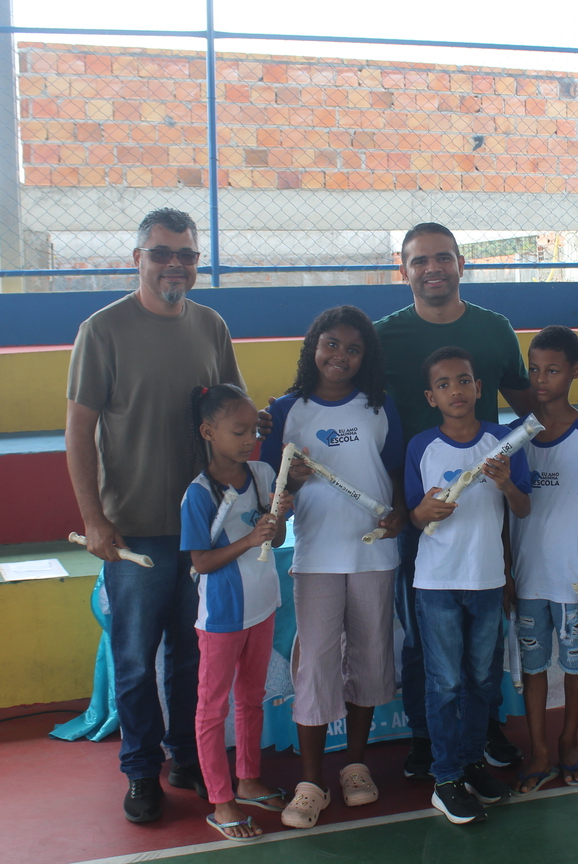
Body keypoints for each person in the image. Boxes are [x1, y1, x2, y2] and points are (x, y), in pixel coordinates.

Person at [65, 208, 243, 823]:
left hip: (203, 530)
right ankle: (141, 771)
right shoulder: (102, 330)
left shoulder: (212, 326)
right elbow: (79, 432)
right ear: (138, 259)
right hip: (134, 529)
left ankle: (185, 757)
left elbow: (234, 415)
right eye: (162, 253)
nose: (175, 265)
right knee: (137, 658)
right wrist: (94, 519)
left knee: (192, 655)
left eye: (186, 255)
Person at [375, 223, 535, 778]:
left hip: (483, 510)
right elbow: (338, 392)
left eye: (443, 258)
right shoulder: (383, 336)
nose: (433, 269)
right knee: (424, 635)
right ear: (403, 270)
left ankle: (482, 730)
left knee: (483, 642)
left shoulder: (494, 329)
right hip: (417, 509)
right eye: (420, 261)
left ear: (461, 264)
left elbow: (532, 408)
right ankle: (427, 737)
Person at [259, 306, 406, 829]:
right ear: (312, 347)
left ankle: (355, 766)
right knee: (316, 663)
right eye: (331, 344)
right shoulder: (285, 410)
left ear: (367, 357)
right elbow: (270, 492)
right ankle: (310, 783)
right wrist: (293, 481)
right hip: (317, 556)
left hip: (373, 554)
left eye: (353, 348)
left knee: (370, 657)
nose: (340, 356)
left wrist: (400, 513)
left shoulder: (379, 405)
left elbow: (397, 471)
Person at [405, 346, 531, 824]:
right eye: (443, 384)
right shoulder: (421, 446)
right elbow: (413, 515)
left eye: (463, 380)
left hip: (486, 581)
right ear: (431, 397)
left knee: (481, 680)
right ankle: (445, 779)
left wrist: (506, 484)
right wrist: (423, 512)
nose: (455, 390)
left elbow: (523, 508)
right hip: (436, 583)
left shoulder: (503, 442)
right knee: (445, 683)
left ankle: (473, 763)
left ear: (479, 388)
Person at [506, 326, 578, 795]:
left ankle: (569, 743)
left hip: (574, 581)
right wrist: (507, 573)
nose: (541, 379)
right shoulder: (514, 438)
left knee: (575, 667)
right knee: (533, 668)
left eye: (552, 370)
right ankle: (539, 751)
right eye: (534, 370)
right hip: (528, 578)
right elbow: (502, 512)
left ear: (576, 371)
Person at [182, 385, 290, 842]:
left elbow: (276, 539)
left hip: (263, 604)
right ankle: (220, 800)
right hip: (223, 616)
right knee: (212, 708)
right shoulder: (198, 494)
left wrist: (278, 519)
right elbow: (201, 562)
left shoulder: (264, 473)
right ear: (209, 432)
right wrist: (248, 539)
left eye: (253, 432)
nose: (249, 440)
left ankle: (248, 780)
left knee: (251, 697)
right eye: (238, 431)